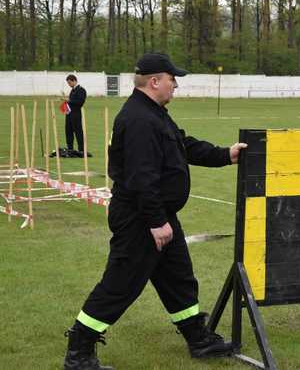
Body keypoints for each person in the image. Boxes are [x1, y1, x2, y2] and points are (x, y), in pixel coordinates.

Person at [63, 53, 247, 370]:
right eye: (172, 79)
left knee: (178, 277)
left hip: (158, 213)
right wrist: (157, 221)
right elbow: (140, 178)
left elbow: (183, 145)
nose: (176, 85)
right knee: (121, 283)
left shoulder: (155, 114)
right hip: (141, 217)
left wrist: (225, 155)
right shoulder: (138, 120)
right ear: (155, 81)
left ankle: (198, 338)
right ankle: (79, 350)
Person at [64, 74, 89, 157]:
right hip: (69, 114)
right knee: (68, 131)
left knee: (78, 132)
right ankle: (70, 148)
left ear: (74, 81)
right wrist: (65, 103)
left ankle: (81, 150)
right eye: (68, 83)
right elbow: (70, 102)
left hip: (76, 114)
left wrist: (69, 100)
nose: (69, 85)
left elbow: (80, 102)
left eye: (70, 83)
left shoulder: (81, 90)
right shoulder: (72, 90)